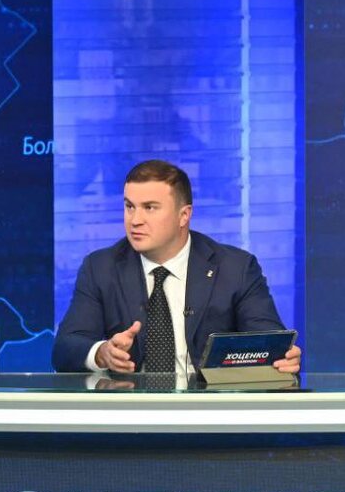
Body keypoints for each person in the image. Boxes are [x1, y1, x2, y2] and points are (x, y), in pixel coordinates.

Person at [52, 159, 302, 378]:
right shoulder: (101, 268)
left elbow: (269, 343)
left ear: (184, 215)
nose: (135, 220)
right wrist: (102, 353)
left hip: (211, 408)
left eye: (150, 208)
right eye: (129, 206)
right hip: (132, 408)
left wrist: (283, 357)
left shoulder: (235, 268)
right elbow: (65, 348)